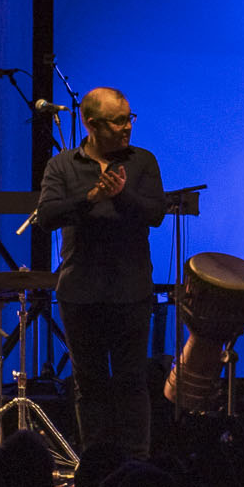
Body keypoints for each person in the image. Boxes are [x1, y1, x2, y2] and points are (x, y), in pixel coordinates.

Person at [36, 87, 166, 456]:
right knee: (89, 384)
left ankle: (137, 467)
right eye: (118, 121)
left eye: (129, 119)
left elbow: (155, 213)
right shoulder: (62, 165)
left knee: (131, 382)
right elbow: (47, 217)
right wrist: (90, 198)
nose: (127, 128)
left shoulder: (142, 161)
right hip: (81, 291)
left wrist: (120, 193)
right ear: (90, 123)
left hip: (131, 289)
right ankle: (94, 466)